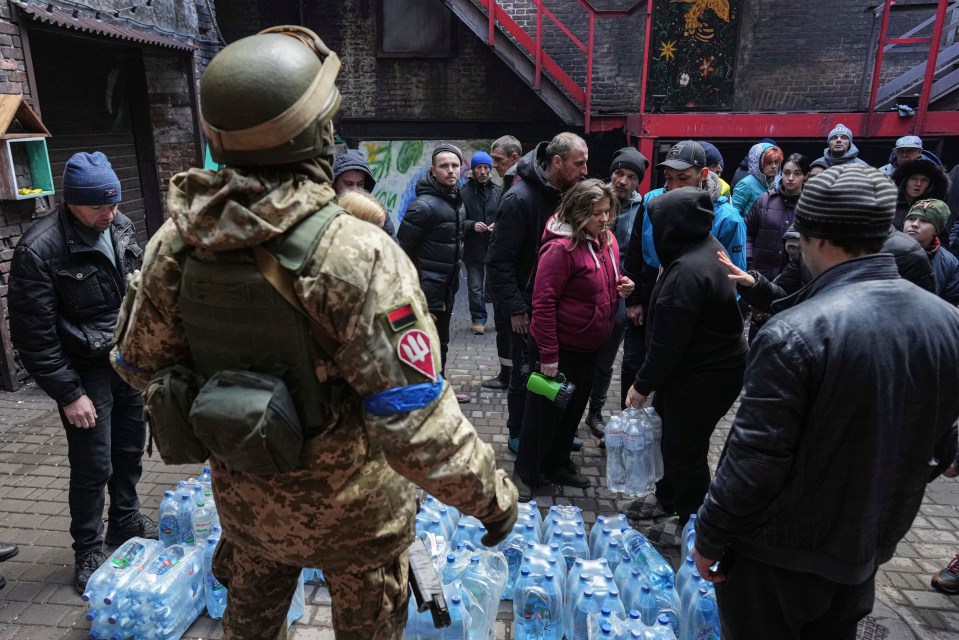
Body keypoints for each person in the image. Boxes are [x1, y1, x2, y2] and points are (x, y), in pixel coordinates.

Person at [110, 27, 518, 639]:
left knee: (248, 628)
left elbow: (136, 365)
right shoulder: (357, 253)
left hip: (249, 505)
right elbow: (415, 422)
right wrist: (493, 500)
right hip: (357, 522)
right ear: (318, 133)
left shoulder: (177, 241)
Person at [693, 164, 959, 639]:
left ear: (814, 238)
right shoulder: (945, 321)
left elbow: (754, 460)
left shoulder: (797, 332)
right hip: (865, 545)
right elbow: (942, 439)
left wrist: (710, 535)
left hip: (778, 556)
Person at [8, 151, 157, 595]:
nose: (109, 215)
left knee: (130, 450)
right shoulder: (39, 249)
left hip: (126, 363)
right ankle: (88, 548)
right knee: (93, 465)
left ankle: (125, 520)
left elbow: (141, 290)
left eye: (113, 204)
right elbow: (33, 336)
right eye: (98, 207)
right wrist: (69, 393)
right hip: (84, 372)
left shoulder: (121, 226)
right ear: (72, 201)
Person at [623, 187, 748, 546]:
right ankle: (667, 498)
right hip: (701, 369)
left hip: (704, 375)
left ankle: (694, 524)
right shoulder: (703, 245)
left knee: (685, 450)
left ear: (673, 227)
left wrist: (642, 384)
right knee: (668, 436)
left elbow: (668, 344)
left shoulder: (687, 272)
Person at [513, 179, 633, 500]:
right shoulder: (559, 249)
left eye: (607, 211)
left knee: (572, 411)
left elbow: (605, 279)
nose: (604, 219)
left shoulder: (606, 240)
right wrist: (549, 355)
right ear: (579, 213)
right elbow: (544, 303)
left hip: (591, 345)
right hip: (559, 348)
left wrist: (622, 287)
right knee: (543, 415)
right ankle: (525, 473)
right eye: (596, 213)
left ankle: (558, 464)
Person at [487, 132, 588, 454]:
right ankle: (518, 432)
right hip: (527, 307)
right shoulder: (519, 199)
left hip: (560, 306)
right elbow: (499, 261)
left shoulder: (569, 193)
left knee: (554, 371)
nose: (585, 171)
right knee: (524, 373)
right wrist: (516, 308)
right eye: (579, 163)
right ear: (557, 162)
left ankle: (551, 431)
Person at [585, 148, 648, 439]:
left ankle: (595, 411)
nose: (623, 180)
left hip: (620, 292)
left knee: (606, 358)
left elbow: (639, 255)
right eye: (619, 173)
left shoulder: (643, 208)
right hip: (588, 288)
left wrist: (633, 292)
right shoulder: (594, 199)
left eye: (631, 176)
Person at [398, 144, 466, 379]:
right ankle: (424, 392)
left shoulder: (456, 201)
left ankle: (439, 388)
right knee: (423, 344)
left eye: (455, 165)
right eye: (444, 166)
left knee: (441, 343)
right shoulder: (423, 206)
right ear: (433, 171)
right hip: (424, 293)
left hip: (446, 290)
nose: (450, 170)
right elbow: (402, 253)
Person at [482, 136, 524, 390]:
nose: (494, 165)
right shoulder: (510, 184)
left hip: (509, 276)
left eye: (498, 160)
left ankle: (512, 376)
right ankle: (506, 374)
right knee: (501, 327)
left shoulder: (518, 186)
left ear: (514, 158)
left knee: (510, 329)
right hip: (500, 274)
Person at [461, 151, 502, 335]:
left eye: (486, 167)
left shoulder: (498, 192)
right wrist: (471, 225)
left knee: (498, 286)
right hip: (473, 249)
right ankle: (478, 320)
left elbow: (505, 217)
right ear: (474, 170)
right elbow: (457, 220)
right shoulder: (463, 193)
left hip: (494, 248)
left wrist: (497, 226)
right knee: (475, 287)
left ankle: (501, 320)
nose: (483, 171)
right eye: (479, 167)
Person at [903, 199, 959, 304]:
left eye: (924, 221)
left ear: (936, 230)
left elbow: (949, 304)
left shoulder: (949, 263)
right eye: (911, 219)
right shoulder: (883, 249)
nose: (914, 224)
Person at [333, 148, 397, 239]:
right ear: (334, 183)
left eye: (360, 184)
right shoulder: (326, 211)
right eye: (348, 184)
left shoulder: (376, 211)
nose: (355, 189)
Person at [891, 157, 949, 230]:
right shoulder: (888, 204)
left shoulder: (933, 210)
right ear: (904, 181)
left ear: (930, 185)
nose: (918, 184)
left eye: (924, 180)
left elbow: (942, 238)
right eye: (914, 178)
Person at [731, 141, 782, 218]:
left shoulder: (776, 182)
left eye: (776, 162)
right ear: (759, 163)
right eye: (769, 163)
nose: (774, 166)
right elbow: (733, 215)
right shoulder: (745, 184)